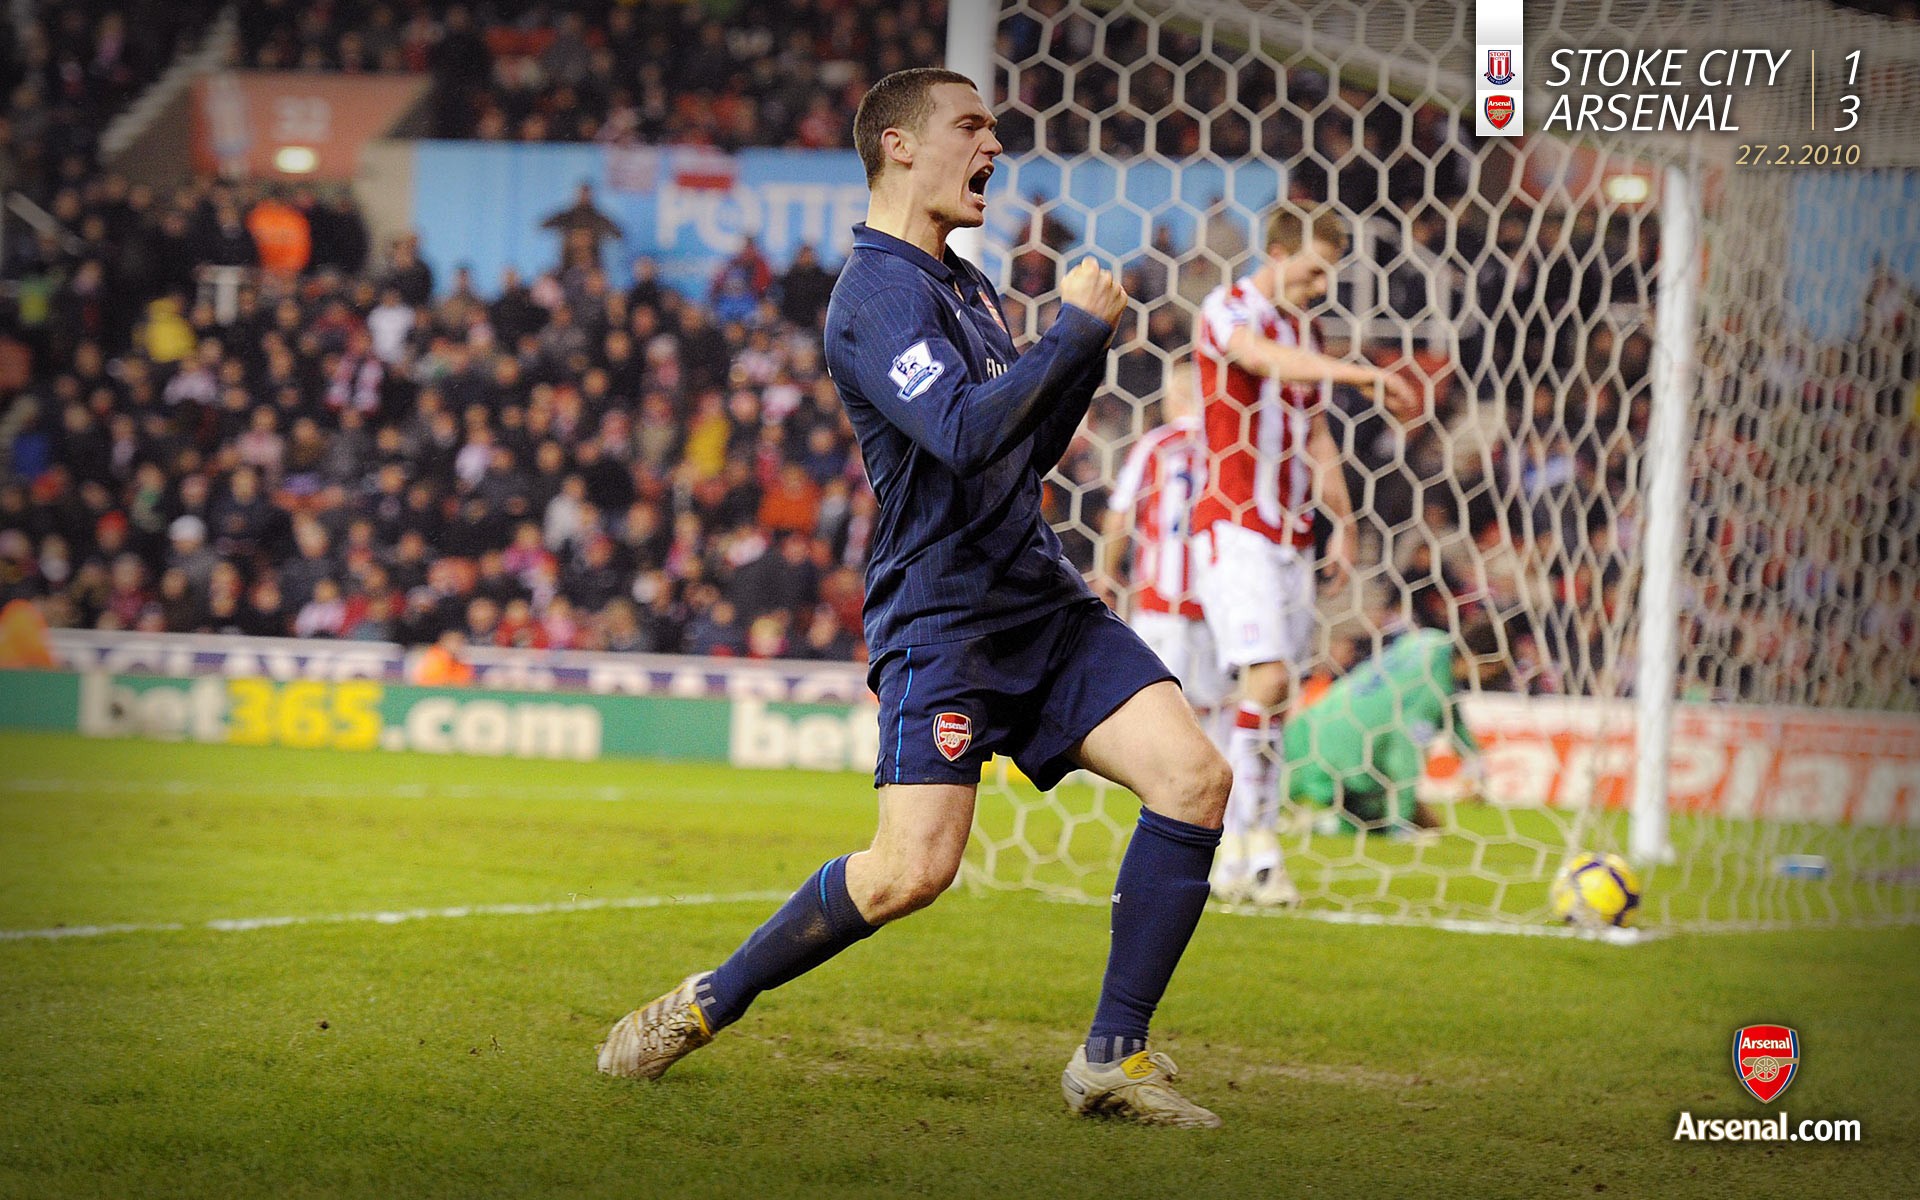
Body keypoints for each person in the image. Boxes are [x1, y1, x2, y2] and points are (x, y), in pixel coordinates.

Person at [599, 67, 1232, 1129]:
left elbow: (1019, 448)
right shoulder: (874, 293)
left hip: (1039, 597)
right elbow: (964, 434)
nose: (994, 147)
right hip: (944, 620)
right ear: (899, 145)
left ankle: (1113, 1060)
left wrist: (1082, 353)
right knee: (909, 873)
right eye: (972, 128)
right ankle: (708, 1001)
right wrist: (1071, 337)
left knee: (1195, 778)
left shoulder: (966, 285)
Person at [1189, 205, 1417, 906]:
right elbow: (1258, 361)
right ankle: (1254, 843)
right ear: (1277, 251)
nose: (1321, 285)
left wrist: (1342, 522)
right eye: (1314, 269)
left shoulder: (1306, 330)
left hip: (1291, 536)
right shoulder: (1229, 307)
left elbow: (1315, 437)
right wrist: (1364, 375)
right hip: (1234, 525)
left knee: (1272, 702)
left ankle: (1234, 849)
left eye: (1330, 273)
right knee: (1266, 681)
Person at [1095, 356, 1229, 755]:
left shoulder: (1156, 445)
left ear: (1176, 397)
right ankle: (1225, 801)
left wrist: (1105, 573)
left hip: (1160, 600)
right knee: (1211, 709)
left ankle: (1164, 790)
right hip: (1216, 603)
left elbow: (1120, 516)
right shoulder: (1223, 448)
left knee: (1157, 704)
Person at [1286, 623, 1504, 834]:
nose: (1494, 676)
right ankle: (1324, 823)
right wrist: (1403, 822)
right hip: (1349, 758)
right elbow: (1404, 759)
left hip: (1319, 719)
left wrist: (1473, 763)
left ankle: (1308, 820)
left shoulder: (1429, 640)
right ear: (1477, 656)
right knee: (1377, 822)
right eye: (1496, 668)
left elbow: (1451, 716)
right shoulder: (1429, 691)